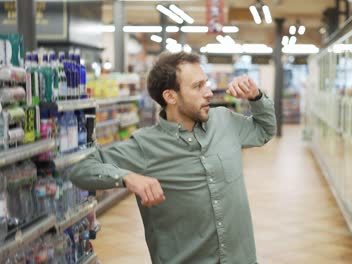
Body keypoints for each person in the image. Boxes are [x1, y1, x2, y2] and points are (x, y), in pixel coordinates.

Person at [70, 51, 277, 264]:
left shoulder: (225, 120)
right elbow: (80, 170)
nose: (208, 92)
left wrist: (256, 97)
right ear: (170, 96)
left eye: (206, 84)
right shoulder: (144, 145)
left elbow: (264, 130)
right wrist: (126, 177)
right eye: (198, 86)